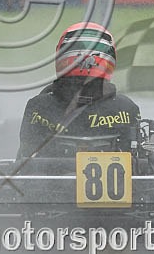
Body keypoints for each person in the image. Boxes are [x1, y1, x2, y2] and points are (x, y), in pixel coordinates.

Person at [16, 22, 147, 163]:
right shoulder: (126, 107)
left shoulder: (39, 106)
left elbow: (24, 158)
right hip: (117, 183)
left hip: (52, 182)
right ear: (108, 59)